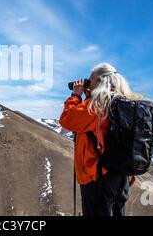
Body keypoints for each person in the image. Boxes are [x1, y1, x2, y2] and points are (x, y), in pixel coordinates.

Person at [59, 62, 143, 216]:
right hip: (120, 176)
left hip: (98, 179)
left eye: (90, 81)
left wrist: (76, 96)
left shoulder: (96, 105)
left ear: (100, 81)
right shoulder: (120, 102)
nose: (87, 85)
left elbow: (67, 120)